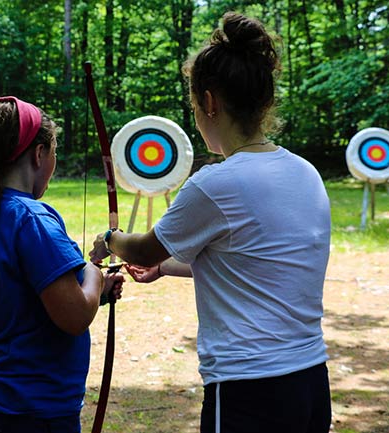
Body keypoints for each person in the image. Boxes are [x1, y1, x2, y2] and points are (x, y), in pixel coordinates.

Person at [90, 12, 331, 433]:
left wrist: (110, 239)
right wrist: (164, 268)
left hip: (248, 390)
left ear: (210, 103)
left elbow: (144, 247)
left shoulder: (217, 183)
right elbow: (248, 260)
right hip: (310, 380)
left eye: (194, 106)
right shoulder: (305, 173)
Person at [0, 96, 124, 433]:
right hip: (36, 405)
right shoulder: (32, 218)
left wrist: (98, 293)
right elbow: (75, 317)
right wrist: (91, 272)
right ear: (38, 154)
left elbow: (23, 297)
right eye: (54, 154)